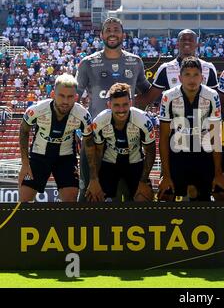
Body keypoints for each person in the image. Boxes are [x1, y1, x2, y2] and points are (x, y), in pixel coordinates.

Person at [75, 17, 152, 202]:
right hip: (95, 139)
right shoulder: (88, 62)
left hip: (129, 140)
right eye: (108, 29)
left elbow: (147, 92)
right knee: (89, 192)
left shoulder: (135, 62)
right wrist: (80, 131)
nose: (112, 33)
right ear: (101, 34)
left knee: (131, 194)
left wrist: (139, 114)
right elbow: (74, 97)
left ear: (123, 35)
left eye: (116, 29)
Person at [158, 57, 224, 201]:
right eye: (187, 75)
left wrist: (218, 173)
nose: (192, 79)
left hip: (203, 153)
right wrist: (165, 175)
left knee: (221, 191)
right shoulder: (168, 97)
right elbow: (164, 138)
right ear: (180, 77)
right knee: (166, 193)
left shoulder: (212, 96)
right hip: (178, 153)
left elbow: (216, 137)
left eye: (196, 74)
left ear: (202, 77)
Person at [18, 74, 94, 202]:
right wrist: (25, 164)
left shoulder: (83, 115)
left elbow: (90, 145)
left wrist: (93, 178)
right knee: (24, 200)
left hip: (66, 158)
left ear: (76, 97)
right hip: (38, 156)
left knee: (70, 200)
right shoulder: (37, 109)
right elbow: (23, 130)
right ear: (53, 94)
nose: (65, 101)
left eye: (70, 97)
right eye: (61, 96)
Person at [87, 83, 156, 202]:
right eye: (116, 105)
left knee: (144, 198)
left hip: (135, 164)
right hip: (109, 164)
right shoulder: (99, 121)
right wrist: (94, 180)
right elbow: (97, 152)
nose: (121, 110)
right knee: (95, 197)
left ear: (130, 103)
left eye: (125, 105)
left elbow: (150, 151)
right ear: (109, 105)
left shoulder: (143, 120)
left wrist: (143, 181)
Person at [135, 29, 219, 109]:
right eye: (183, 39)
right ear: (177, 44)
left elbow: (216, 99)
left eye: (190, 40)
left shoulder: (208, 68)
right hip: (173, 121)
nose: (187, 42)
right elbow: (150, 98)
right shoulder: (166, 68)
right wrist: (126, 98)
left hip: (201, 120)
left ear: (197, 44)